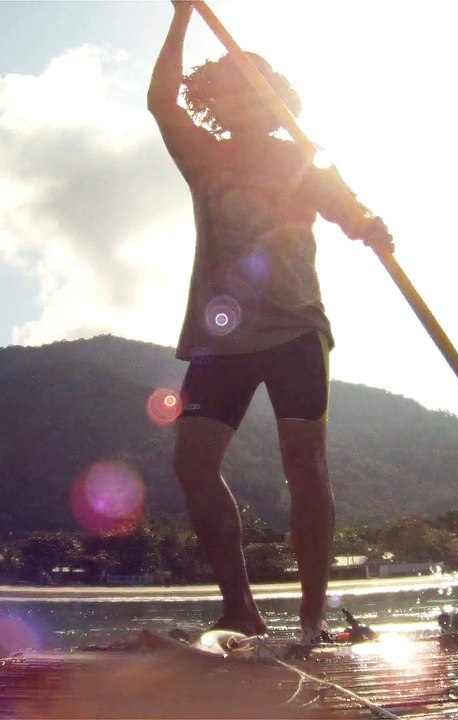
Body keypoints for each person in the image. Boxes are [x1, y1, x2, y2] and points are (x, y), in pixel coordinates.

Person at [148, 2, 394, 642]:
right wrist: (180, 17)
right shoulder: (202, 156)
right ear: (217, 105)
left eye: (249, 88)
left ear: (270, 99)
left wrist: (369, 225)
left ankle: (312, 616)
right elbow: (160, 102)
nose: (236, 98)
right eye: (224, 90)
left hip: (294, 329)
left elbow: (349, 209)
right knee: (192, 465)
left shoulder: (299, 158)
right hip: (219, 337)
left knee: (303, 463)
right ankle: (241, 608)